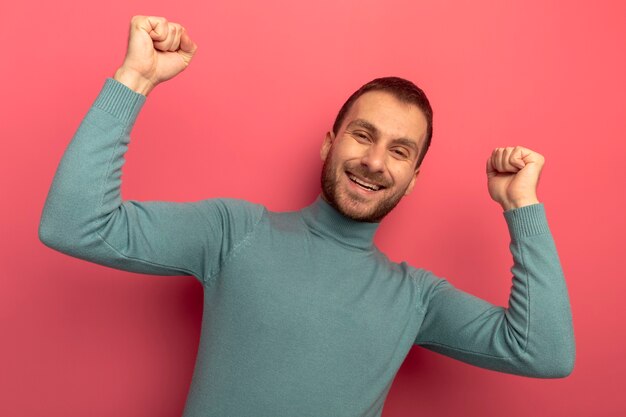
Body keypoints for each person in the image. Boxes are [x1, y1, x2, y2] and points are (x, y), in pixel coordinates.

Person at [38, 15, 575, 417]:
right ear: (329, 144)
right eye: (363, 135)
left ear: (413, 181)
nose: (373, 160)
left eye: (399, 150)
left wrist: (520, 206)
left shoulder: (416, 298)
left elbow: (544, 353)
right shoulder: (234, 231)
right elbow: (74, 225)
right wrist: (134, 79)